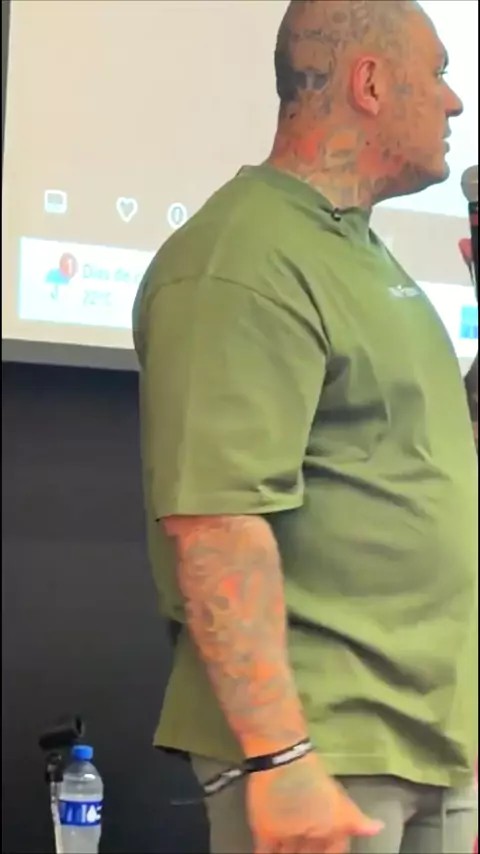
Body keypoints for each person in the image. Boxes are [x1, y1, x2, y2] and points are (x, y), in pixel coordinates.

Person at [132, 1, 478, 852]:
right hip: (325, 749)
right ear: (370, 82)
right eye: (438, 73)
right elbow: (215, 523)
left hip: (427, 741)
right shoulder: (243, 258)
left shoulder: (360, 252)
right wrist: (282, 755)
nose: (455, 101)